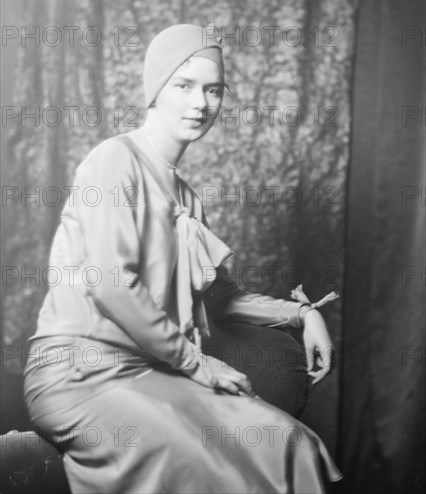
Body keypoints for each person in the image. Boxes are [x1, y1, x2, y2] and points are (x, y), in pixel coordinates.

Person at [24, 24, 342, 493]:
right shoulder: (113, 160)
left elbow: (222, 299)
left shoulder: (189, 199)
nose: (200, 103)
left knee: (289, 443)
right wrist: (197, 363)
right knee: (208, 463)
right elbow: (111, 281)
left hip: (155, 371)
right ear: (156, 89)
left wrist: (301, 314)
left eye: (213, 90)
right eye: (184, 85)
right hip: (80, 372)